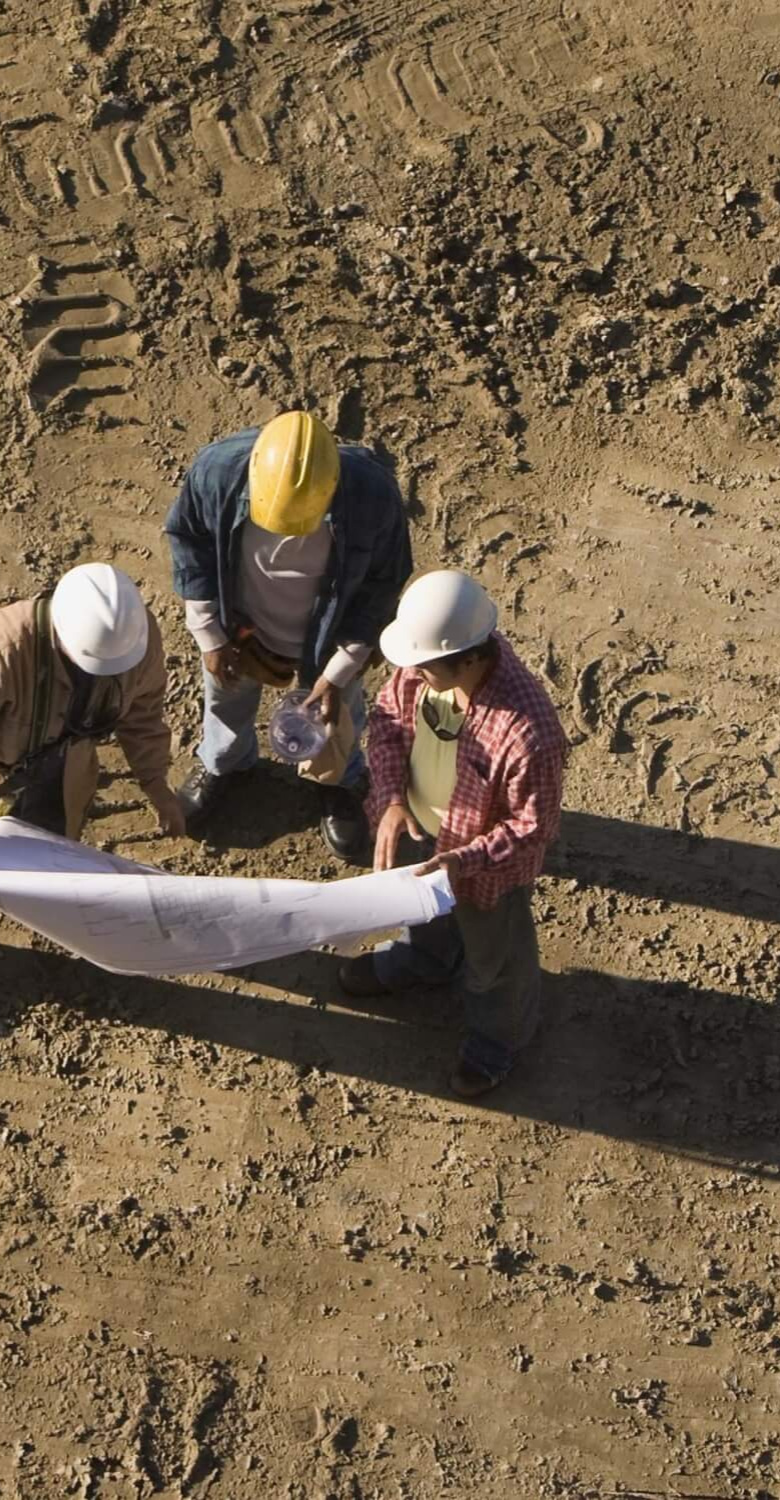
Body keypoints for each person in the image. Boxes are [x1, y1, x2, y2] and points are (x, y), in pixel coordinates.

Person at [0, 564, 185, 1019]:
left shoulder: (133, 639)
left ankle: (46, 917)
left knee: (51, 858)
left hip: (64, 768)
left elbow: (142, 716)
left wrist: (157, 784)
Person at [342, 570, 567, 1097]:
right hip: (421, 832)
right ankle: (424, 960)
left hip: (481, 869)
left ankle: (498, 1042)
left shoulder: (528, 732)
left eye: (425, 666)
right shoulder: (422, 674)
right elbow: (389, 724)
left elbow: (533, 827)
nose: (413, 673)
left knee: (494, 963)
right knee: (421, 917)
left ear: (469, 657)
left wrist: (462, 861)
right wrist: (393, 800)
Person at [163, 410, 412, 862]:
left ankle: (336, 778)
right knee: (225, 697)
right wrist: (212, 637)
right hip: (243, 625)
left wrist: (338, 673)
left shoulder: (372, 497)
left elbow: (381, 587)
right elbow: (190, 540)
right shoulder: (217, 472)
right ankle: (224, 760)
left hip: (329, 635)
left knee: (339, 715)